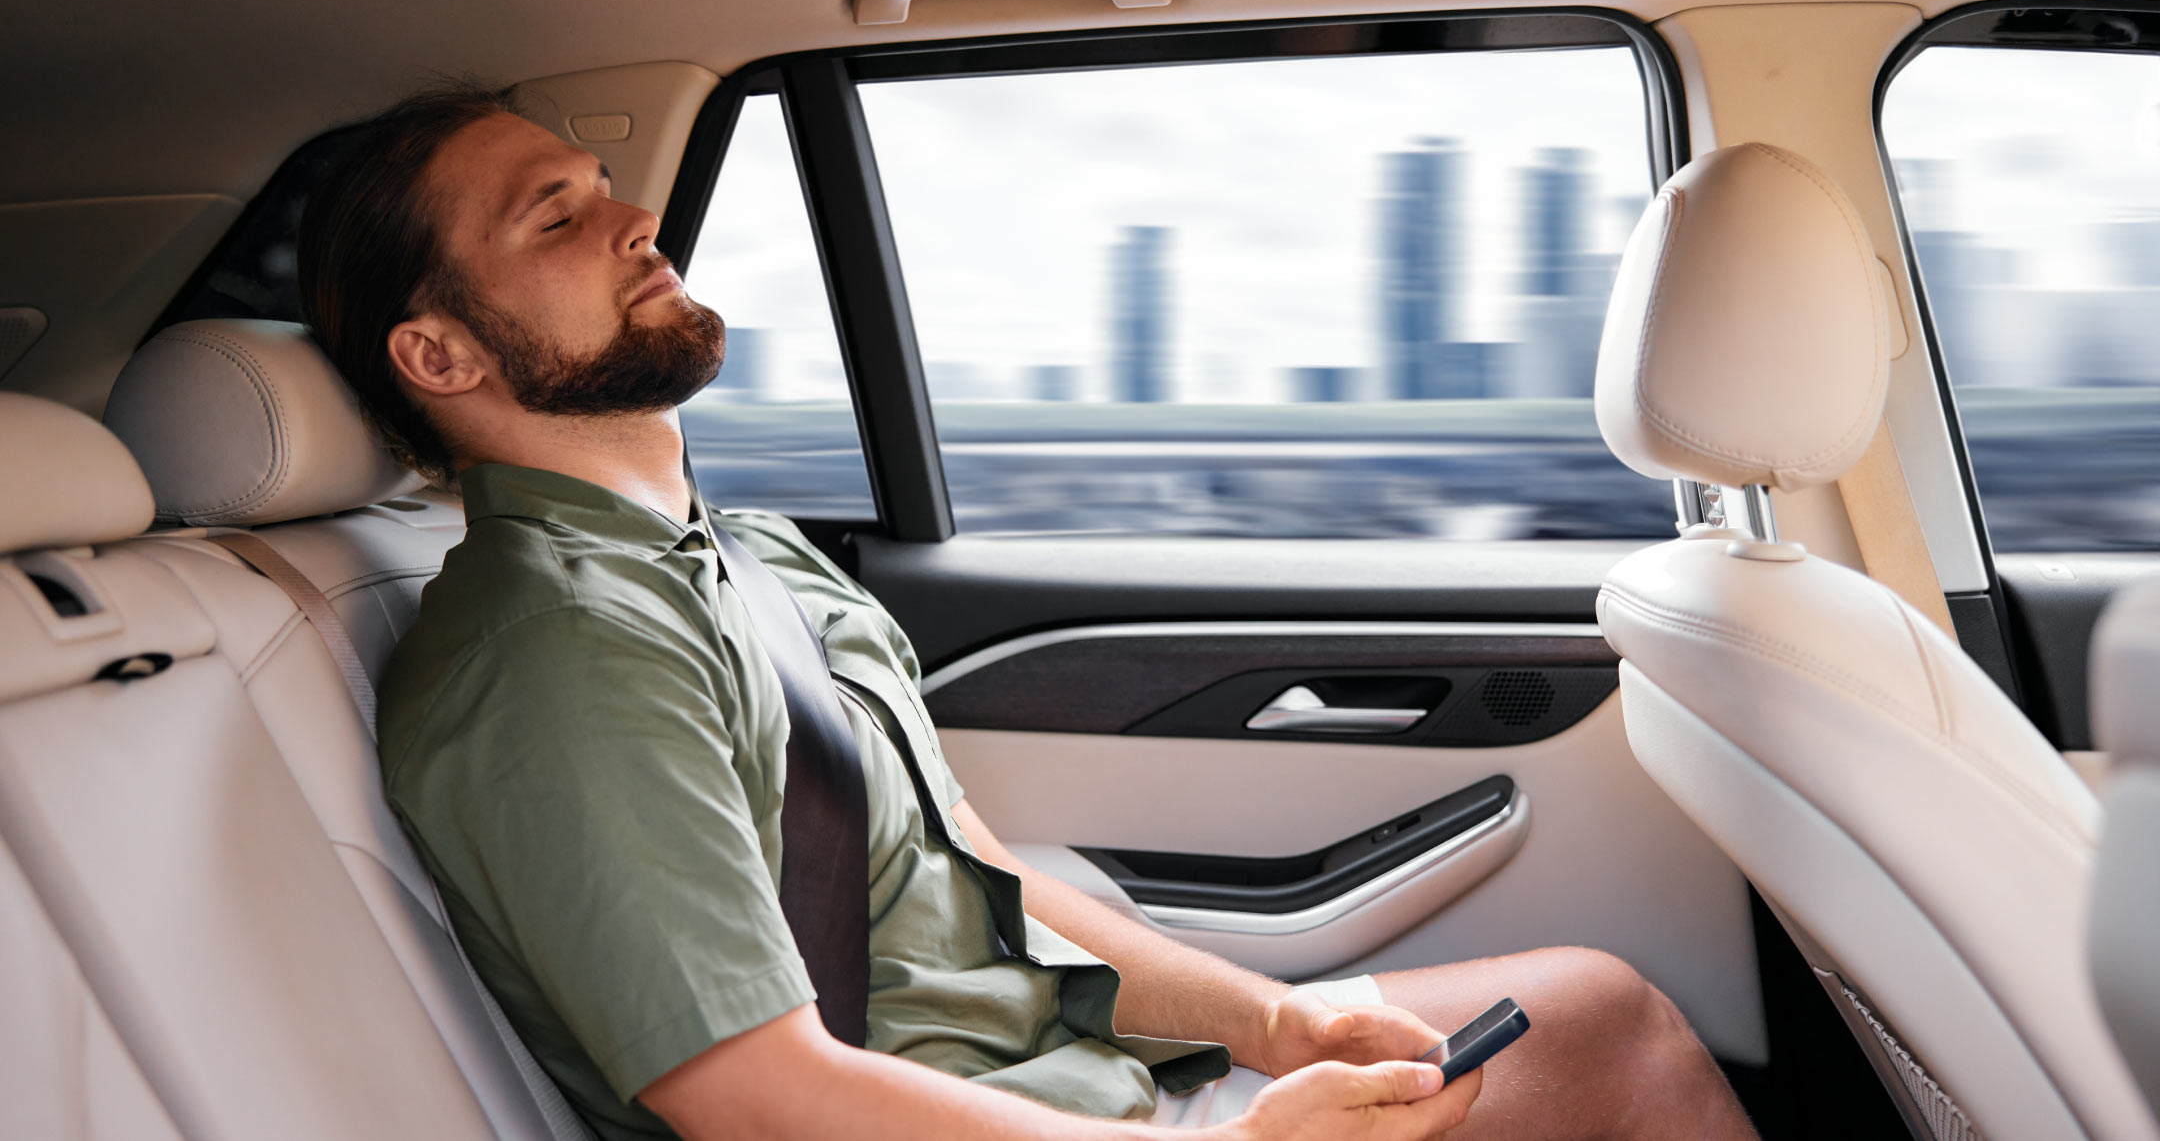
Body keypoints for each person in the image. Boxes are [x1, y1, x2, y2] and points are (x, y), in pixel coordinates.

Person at [297, 83, 1760, 1141]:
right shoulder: (558, 652)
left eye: (604, 186)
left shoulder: (743, 560)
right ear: (440, 354)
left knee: (1592, 1007)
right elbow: (756, 1097)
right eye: (556, 216)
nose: (635, 221)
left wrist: (1275, 1022)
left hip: (1064, 1090)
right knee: (1609, 1035)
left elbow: (976, 871)